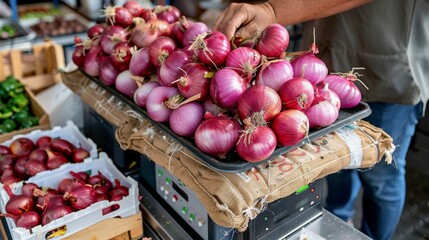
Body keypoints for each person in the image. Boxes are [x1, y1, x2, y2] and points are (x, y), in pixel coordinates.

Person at [213, 1, 429, 240]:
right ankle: (339, 219)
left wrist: (273, 10)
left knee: (382, 177)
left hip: (390, 73)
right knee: (337, 164)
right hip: (322, 67)